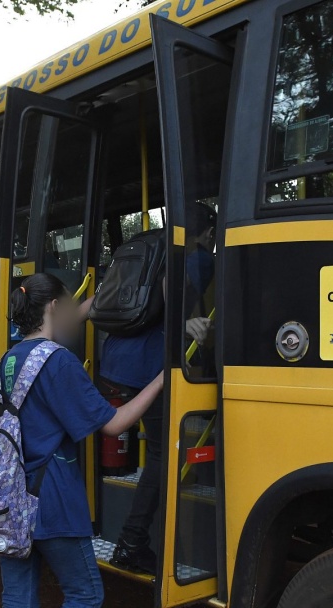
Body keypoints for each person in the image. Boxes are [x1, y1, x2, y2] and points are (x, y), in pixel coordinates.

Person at [0, 273, 165, 608]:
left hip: (12, 496)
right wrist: (164, 375)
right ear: (55, 307)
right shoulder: (58, 361)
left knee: (18, 595)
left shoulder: (10, 358)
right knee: (85, 593)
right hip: (53, 499)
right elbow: (114, 424)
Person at [101, 203, 217, 575]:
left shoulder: (149, 246)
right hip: (147, 366)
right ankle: (132, 542)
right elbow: (172, 295)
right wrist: (187, 323)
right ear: (211, 235)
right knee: (162, 454)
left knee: (156, 448)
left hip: (114, 359)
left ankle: (131, 539)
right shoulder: (198, 257)